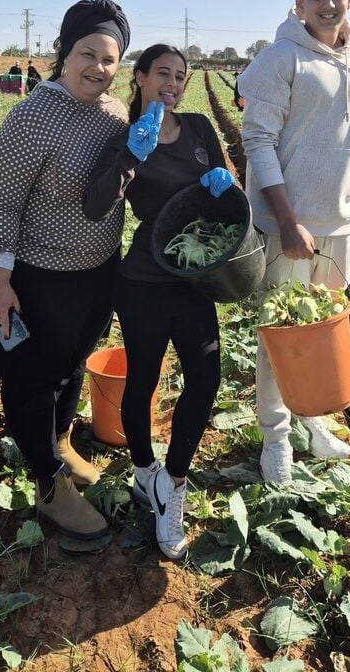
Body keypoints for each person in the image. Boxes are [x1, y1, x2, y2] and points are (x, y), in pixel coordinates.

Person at [0, 0, 131, 552]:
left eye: (109, 58)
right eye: (86, 53)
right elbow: (4, 208)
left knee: (71, 367)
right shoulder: (31, 118)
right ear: (63, 53)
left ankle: (62, 443)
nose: (98, 66)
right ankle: (48, 482)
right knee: (33, 377)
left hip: (98, 273)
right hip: (41, 279)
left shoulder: (116, 115)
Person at [83, 44, 235, 560]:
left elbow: (224, 183)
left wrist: (224, 180)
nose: (172, 83)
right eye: (162, 74)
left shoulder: (197, 129)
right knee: (144, 376)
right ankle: (145, 471)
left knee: (206, 377)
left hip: (193, 280)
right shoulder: (124, 136)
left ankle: (174, 483)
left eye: (180, 76)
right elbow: (96, 202)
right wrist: (131, 155)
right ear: (141, 78)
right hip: (144, 280)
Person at [239, 0, 350, 484]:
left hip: (339, 224)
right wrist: (286, 219)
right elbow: (256, 141)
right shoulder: (281, 59)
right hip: (289, 227)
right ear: (300, 4)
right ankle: (276, 436)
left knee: (323, 330)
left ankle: (313, 420)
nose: (328, 4)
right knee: (281, 332)